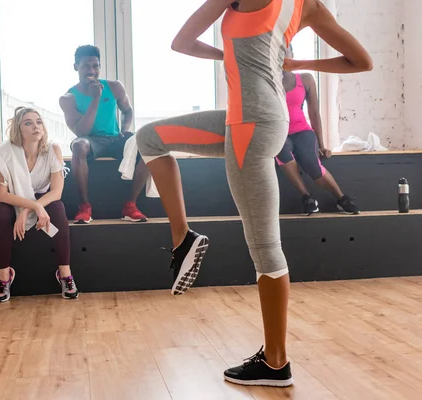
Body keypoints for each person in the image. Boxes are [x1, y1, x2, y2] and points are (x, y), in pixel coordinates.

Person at [136, 0, 372, 387]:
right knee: (150, 138)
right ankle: (183, 239)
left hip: (251, 125)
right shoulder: (305, 5)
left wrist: (242, 56)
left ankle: (276, 363)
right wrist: (292, 65)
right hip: (250, 120)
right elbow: (361, 61)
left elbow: (182, 42)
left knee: (264, 246)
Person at [0, 106, 79, 303]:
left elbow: (56, 192)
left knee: (58, 208)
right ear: (18, 129)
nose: (35, 126)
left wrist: (31, 208)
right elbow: (2, 195)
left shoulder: (52, 150)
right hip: (14, 200)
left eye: (38, 122)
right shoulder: (4, 153)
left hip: (42, 199)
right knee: (1, 211)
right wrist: (32, 207)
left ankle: (65, 275)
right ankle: (4, 277)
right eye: (28, 123)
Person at [60, 45, 150, 224]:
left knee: (147, 143)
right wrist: (96, 98)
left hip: (115, 139)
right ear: (76, 66)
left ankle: (130, 206)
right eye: (86, 66)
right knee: (78, 145)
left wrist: (125, 130)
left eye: (96, 66)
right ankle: (84, 207)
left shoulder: (115, 87)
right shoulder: (68, 98)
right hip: (91, 141)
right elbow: (81, 131)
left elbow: (128, 111)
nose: (91, 71)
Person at [278, 44, 359, 215]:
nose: (282, 56)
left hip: (302, 131)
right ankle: (307, 197)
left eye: (285, 51)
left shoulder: (306, 79)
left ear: (292, 54)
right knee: (281, 150)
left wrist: (322, 145)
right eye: (277, 53)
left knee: (312, 164)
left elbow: (314, 113)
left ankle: (341, 198)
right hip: (279, 133)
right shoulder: (268, 82)